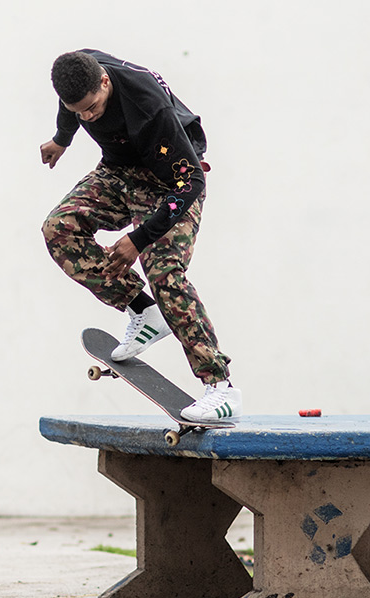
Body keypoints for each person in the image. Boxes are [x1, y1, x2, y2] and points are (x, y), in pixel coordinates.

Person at [40, 49, 242, 422]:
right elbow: (69, 107)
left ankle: (221, 387)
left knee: (163, 272)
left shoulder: (149, 108)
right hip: (119, 173)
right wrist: (61, 139)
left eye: (93, 108)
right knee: (59, 228)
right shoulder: (79, 73)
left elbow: (191, 181)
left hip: (171, 185)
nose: (87, 116)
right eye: (79, 111)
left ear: (105, 82)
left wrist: (140, 238)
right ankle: (143, 311)